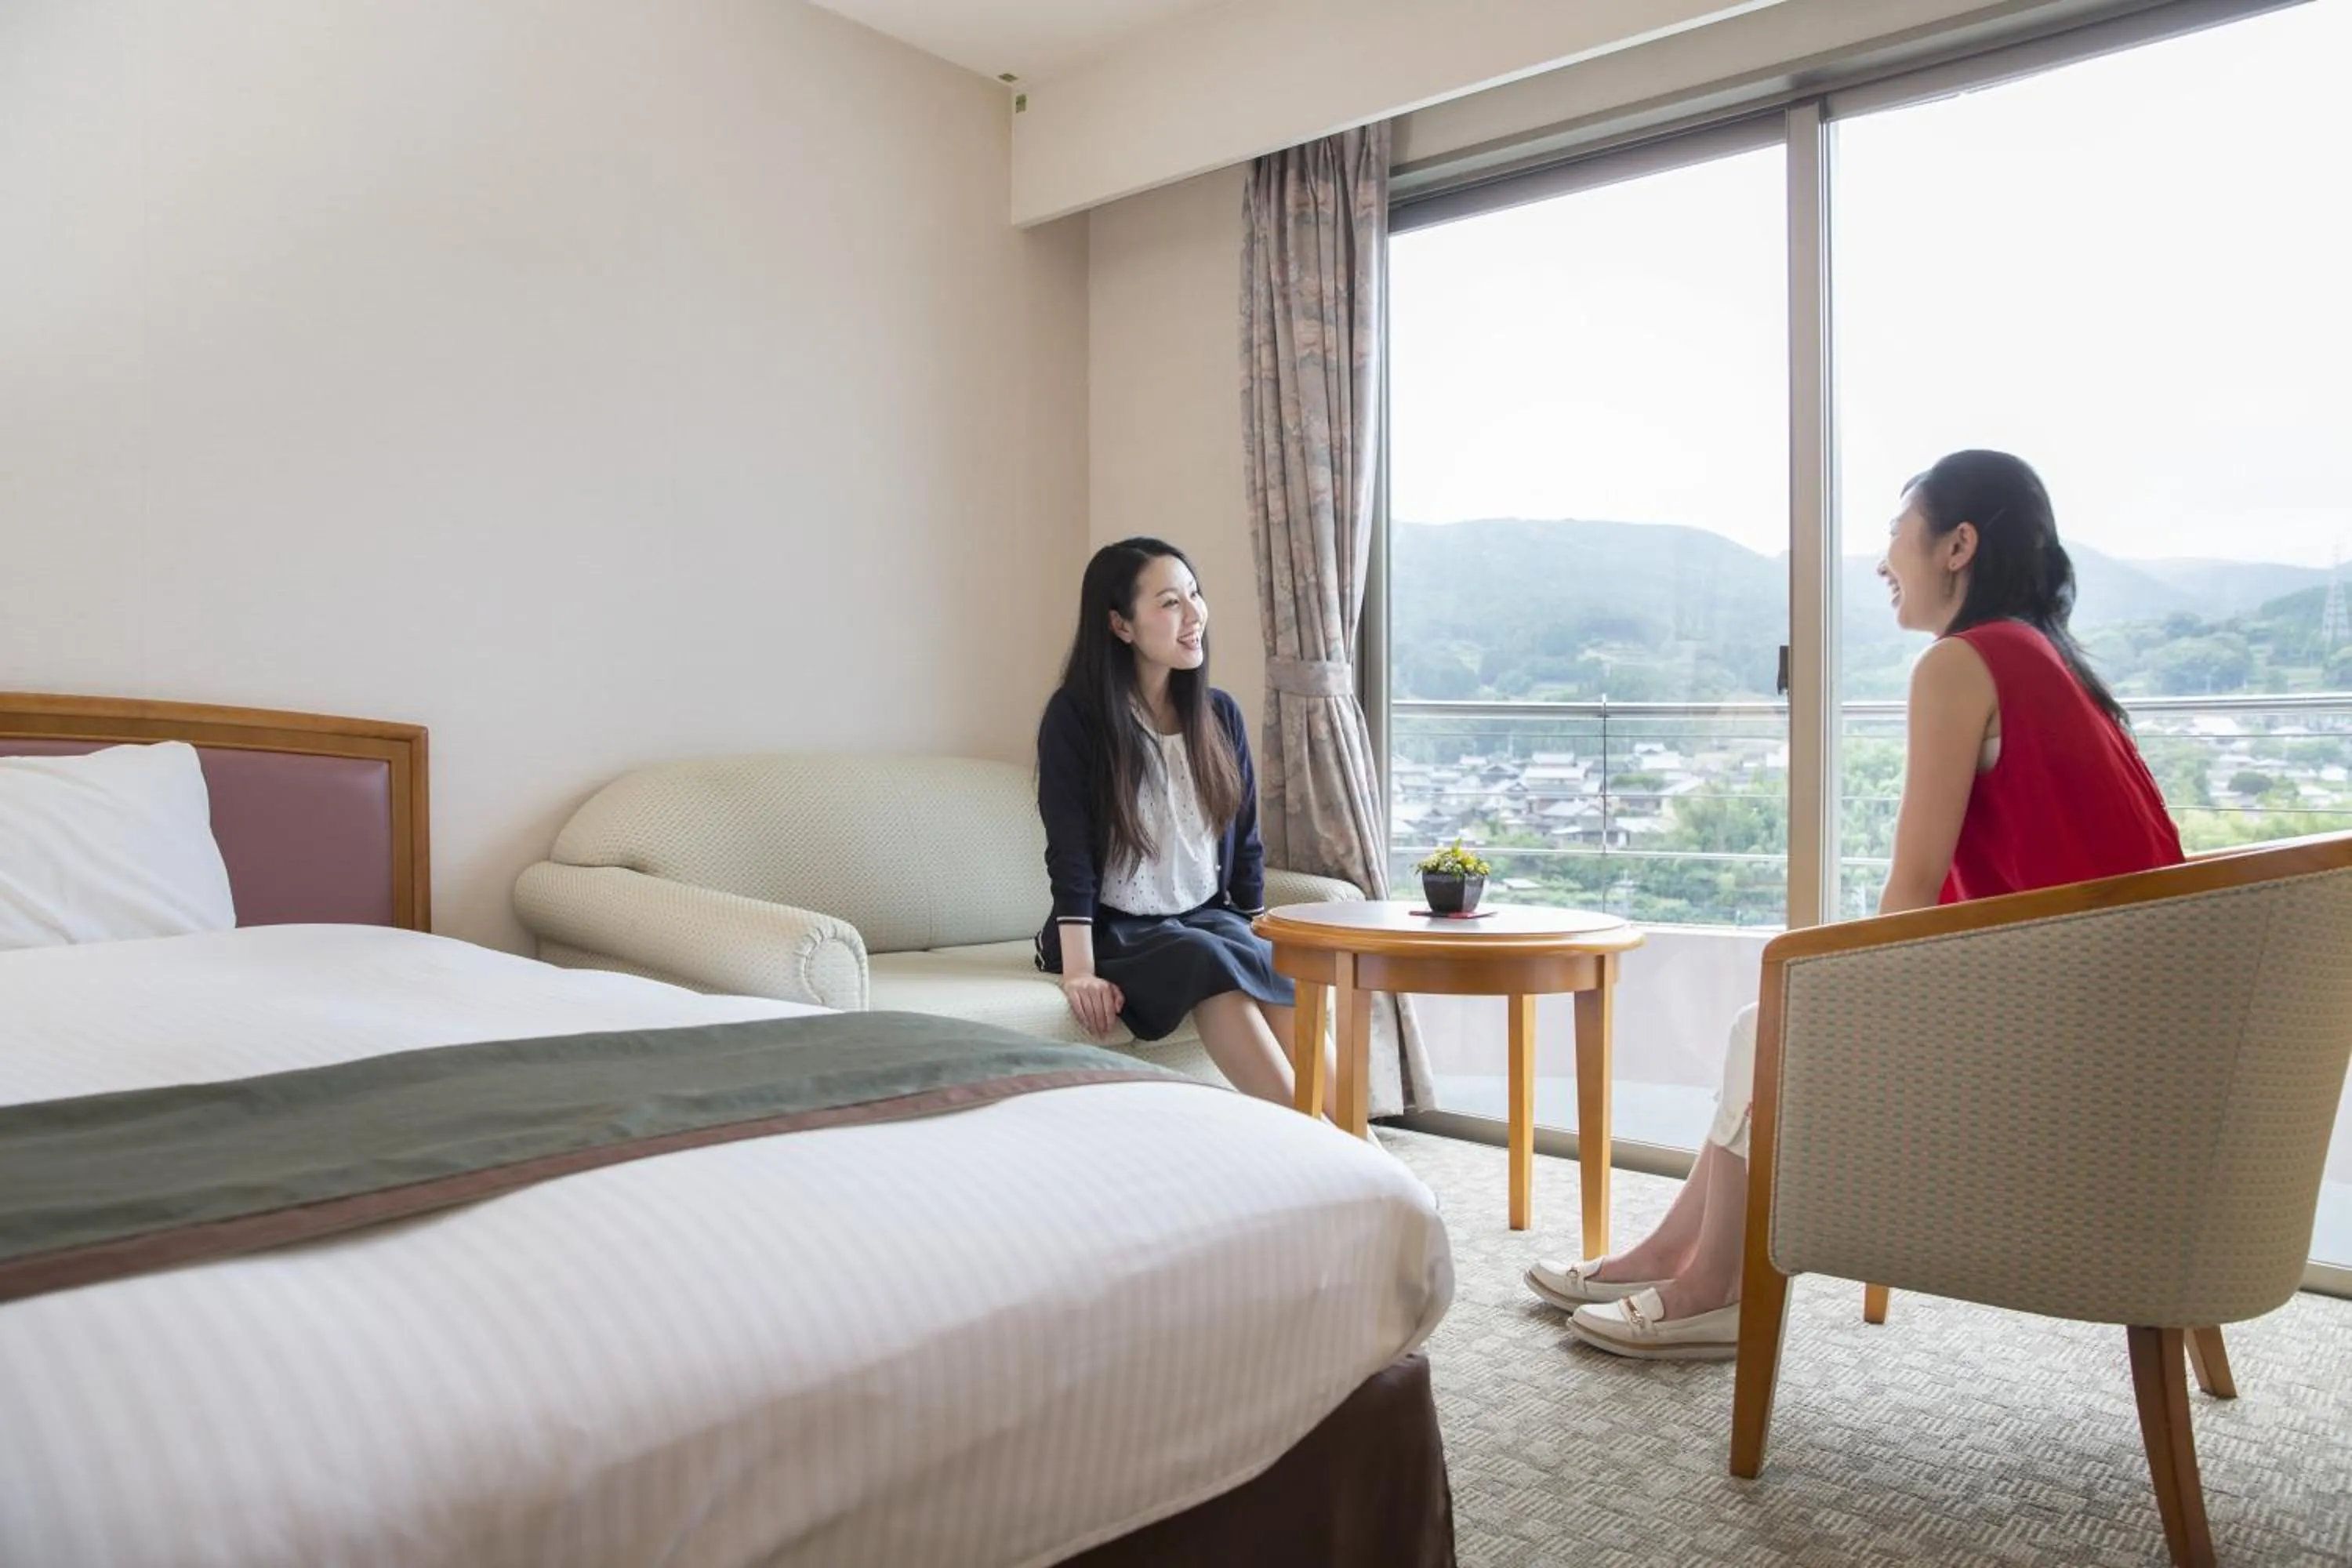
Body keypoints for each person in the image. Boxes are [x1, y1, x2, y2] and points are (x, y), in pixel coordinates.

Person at [1525, 450, 2187, 1360]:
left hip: (2058, 1049)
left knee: (1774, 1015)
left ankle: (1711, 1284)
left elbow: (1911, 890)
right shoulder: (2056, 664)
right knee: (1774, 1014)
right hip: (2133, 1042)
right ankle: (1676, 1258)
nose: (1882, 560)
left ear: (1958, 543)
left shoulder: (1964, 663)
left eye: (1894, 530)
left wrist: (1831, 983)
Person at [1035, 537, 1321, 1107]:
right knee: (1206, 957)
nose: (1195, 616)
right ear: (1120, 625)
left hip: (1202, 916)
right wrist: (1080, 971)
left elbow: (1246, 848)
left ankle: (1363, 1146)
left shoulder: (1218, 714)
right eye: (1170, 603)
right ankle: (1321, 1145)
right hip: (1115, 928)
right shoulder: (1077, 718)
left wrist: (1257, 933)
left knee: (1275, 959)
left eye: (1194, 594)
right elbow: (1069, 851)